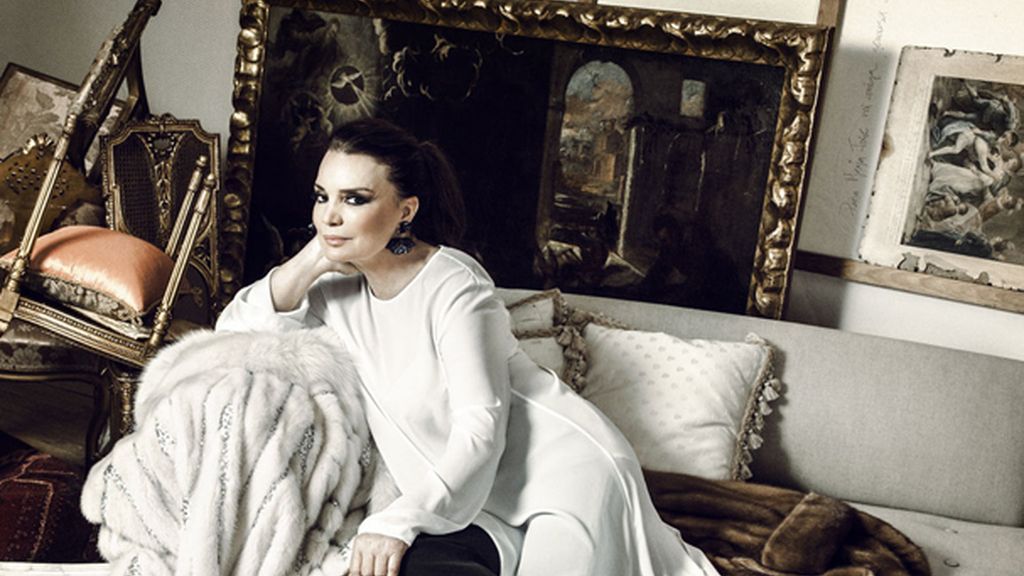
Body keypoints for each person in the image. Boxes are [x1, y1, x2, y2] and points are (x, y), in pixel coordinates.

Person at [216, 118, 719, 576]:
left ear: (405, 211)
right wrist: (311, 260)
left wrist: (398, 520)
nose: (330, 216)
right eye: (321, 196)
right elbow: (235, 336)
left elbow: (481, 430)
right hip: (482, 504)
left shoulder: (454, 284)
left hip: (566, 475)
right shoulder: (335, 292)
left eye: (354, 199)